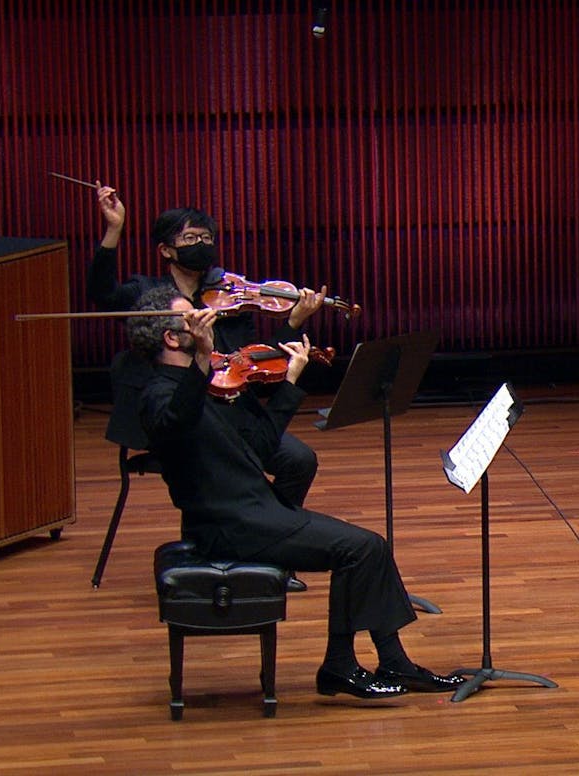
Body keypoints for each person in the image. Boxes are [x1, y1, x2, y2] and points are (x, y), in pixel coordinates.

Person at [129, 285, 462, 699]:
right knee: (363, 548)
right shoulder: (159, 394)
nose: (205, 317)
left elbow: (264, 446)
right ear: (173, 337)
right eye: (192, 316)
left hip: (256, 510)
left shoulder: (215, 380)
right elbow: (175, 423)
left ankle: (392, 661)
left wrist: (288, 383)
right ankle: (340, 666)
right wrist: (200, 360)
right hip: (228, 525)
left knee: (367, 548)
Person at [88, 183, 323, 509]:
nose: (201, 244)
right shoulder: (150, 294)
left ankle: (268, 528)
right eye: (190, 239)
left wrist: (294, 321)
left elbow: (252, 360)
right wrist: (114, 229)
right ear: (166, 250)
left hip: (228, 413)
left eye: (206, 238)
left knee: (299, 460)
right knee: (232, 465)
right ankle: (251, 527)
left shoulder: (230, 298)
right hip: (175, 416)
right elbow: (103, 295)